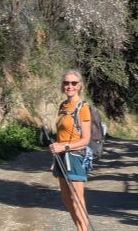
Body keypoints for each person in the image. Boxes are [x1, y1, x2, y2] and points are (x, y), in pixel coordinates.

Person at [49, 69, 92, 231]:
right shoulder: (63, 105)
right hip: (61, 157)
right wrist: (56, 145)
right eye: (66, 83)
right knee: (67, 200)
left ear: (80, 86)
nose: (70, 86)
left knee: (77, 200)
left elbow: (85, 140)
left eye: (74, 83)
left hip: (74, 156)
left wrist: (64, 146)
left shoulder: (83, 107)